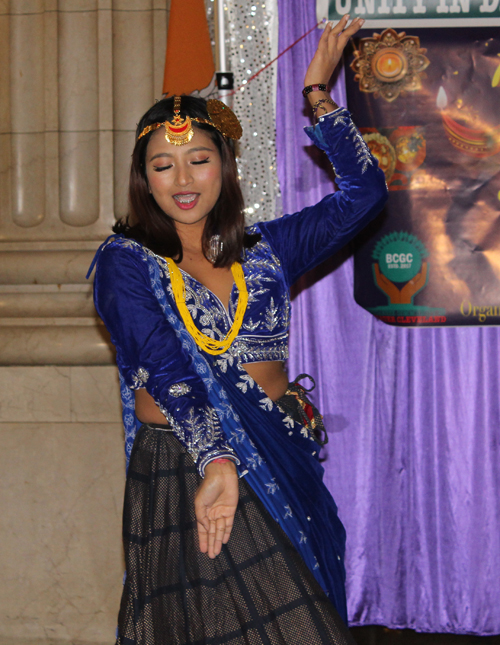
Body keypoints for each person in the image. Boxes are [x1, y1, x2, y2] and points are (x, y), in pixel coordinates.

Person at [90, 15, 387, 645]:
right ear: (144, 178)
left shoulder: (268, 250)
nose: (184, 179)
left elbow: (364, 194)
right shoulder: (126, 262)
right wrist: (217, 456)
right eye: (163, 165)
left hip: (277, 451)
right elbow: (164, 365)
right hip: (184, 465)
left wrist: (318, 98)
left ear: (224, 166)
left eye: (198, 159)